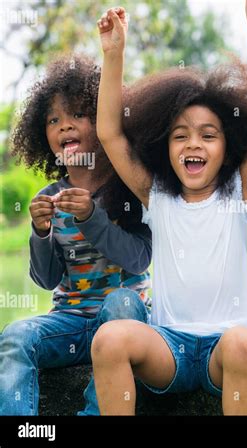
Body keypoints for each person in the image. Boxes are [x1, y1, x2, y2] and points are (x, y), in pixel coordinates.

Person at [91, 1, 247, 415]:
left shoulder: (240, 191)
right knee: (109, 339)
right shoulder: (156, 196)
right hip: (170, 350)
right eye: (180, 136)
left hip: (228, 352)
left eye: (208, 135)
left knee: (242, 342)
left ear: (227, 146)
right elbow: (109, 132)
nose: (193, 144)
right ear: (166, 148)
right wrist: (113, 54)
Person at [0, 54, 152, 416]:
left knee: (121, 302)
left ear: (103, 123)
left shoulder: (128, 189)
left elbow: (139, 258)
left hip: (123, 323)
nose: (64, 126)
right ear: (43, 136)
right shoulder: (47, 198)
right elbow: (47, 278)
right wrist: (40, 233)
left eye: (78, 115)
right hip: (69, 321)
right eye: (53, 120)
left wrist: (91, 217)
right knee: (15, 336)